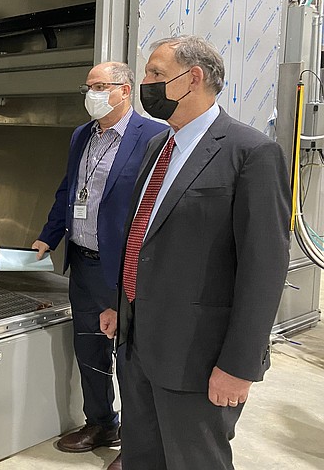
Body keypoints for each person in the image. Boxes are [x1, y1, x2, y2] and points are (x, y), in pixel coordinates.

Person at [100, 36, 291, 470]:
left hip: (198, 360)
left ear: (195, 78)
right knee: (142, 458)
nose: (144, 83)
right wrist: (121, 307)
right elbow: (143, 238)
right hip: (139, 348)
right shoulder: (158, 148)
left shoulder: (251, 153)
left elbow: (263, 269)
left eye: (156, 75)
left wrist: (239, 365)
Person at [32, 62, 164, 469]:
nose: (92, 93)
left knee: (130, 359)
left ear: (124, 91)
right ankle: (102, 423)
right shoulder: (82, 135)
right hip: (83, 263)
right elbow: (69, 190)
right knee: (89, 348)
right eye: (88, 86)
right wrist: (49, 236)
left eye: (100, 86)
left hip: (124, 268)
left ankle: (137, 444)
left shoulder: (153, 137)